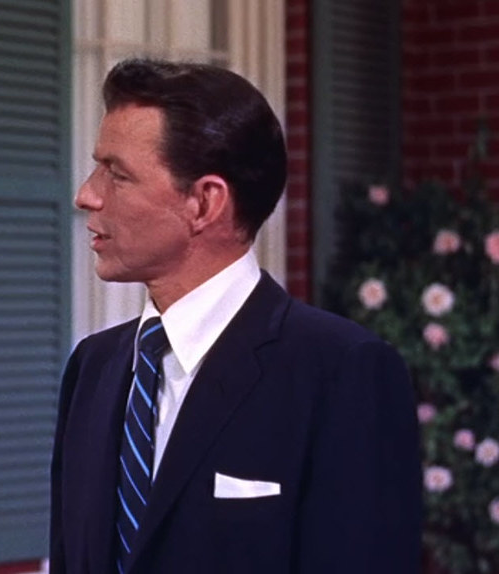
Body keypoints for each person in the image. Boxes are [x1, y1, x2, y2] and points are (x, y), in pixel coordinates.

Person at [50, 58, 422, 573]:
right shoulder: (92, 367)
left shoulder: (341, 372)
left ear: (205, 203)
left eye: (117, 174)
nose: (86, 195)